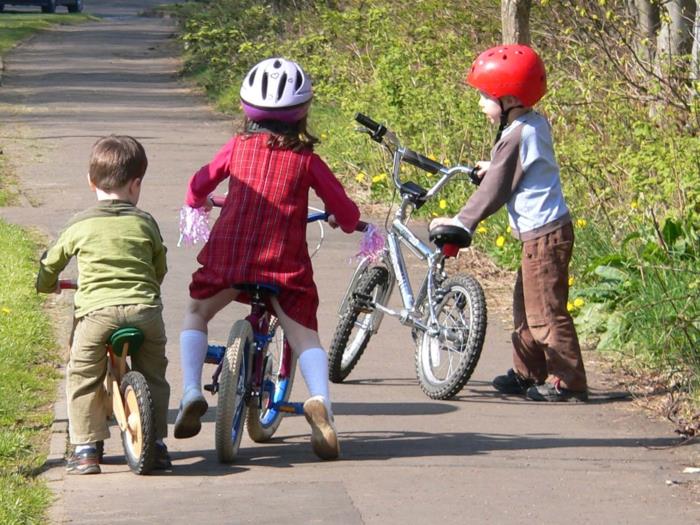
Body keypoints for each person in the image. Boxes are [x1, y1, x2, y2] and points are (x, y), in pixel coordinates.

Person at [175, 57, 360, 459]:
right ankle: (321, 403)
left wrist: (197, 202)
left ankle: (191, 389)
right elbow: (346, 213)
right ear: (304, 112)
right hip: (283, 262)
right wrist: (346, 221)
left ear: (246, 109)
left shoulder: (237, 147)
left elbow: (199, 183)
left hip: (230, 256)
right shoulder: (307, 160)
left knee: (196, 313)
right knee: (303, 333)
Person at [430, 44, 588, 402]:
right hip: (542, 235)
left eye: (486, 96)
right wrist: (493, 168)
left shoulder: (517, 134)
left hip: (544, 236)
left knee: (545, 311)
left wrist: (461, 221)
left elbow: (496, 189)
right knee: (525, 307)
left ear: (510, 98)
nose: (480, 103)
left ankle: (570, 381)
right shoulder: (529, 124)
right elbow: (515, 168)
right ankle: (528, 373)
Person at [36, 135, 171, 474]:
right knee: (154, 373)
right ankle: (155, 444)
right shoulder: (146, 222)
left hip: (97, 314)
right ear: (136, 184)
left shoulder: (79, 223)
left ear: (90, 181)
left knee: (82, 374)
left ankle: (84, 449)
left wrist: (47, 285)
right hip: (145, 312)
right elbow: (160, 266)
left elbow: (51, 262)